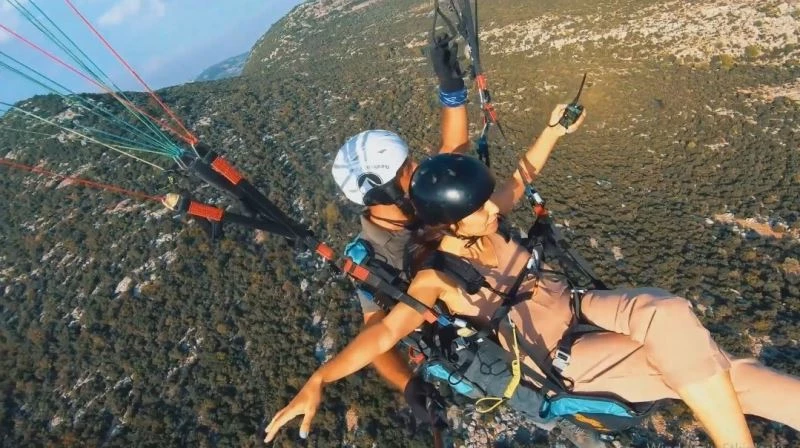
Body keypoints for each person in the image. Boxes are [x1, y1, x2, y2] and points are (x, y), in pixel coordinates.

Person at [265, 104, 800, 447]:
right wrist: (320, 379)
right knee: (717, 374)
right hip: (559, 354)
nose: (494, 213)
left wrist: (551, 130)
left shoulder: (473, 211)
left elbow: (518, 182)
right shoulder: (434, 275)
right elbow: (382, 333)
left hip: (575, 305)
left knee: (672, 316)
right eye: (480, 209)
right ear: (449, 218)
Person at [327, 32, 470, 431]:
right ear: (388, 189)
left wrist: (451, 90)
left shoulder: (419, 201)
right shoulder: (369, 260)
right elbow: (376, 334)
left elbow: (453, 152)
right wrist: (408, 384)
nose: (418, 168)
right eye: (408, 168)